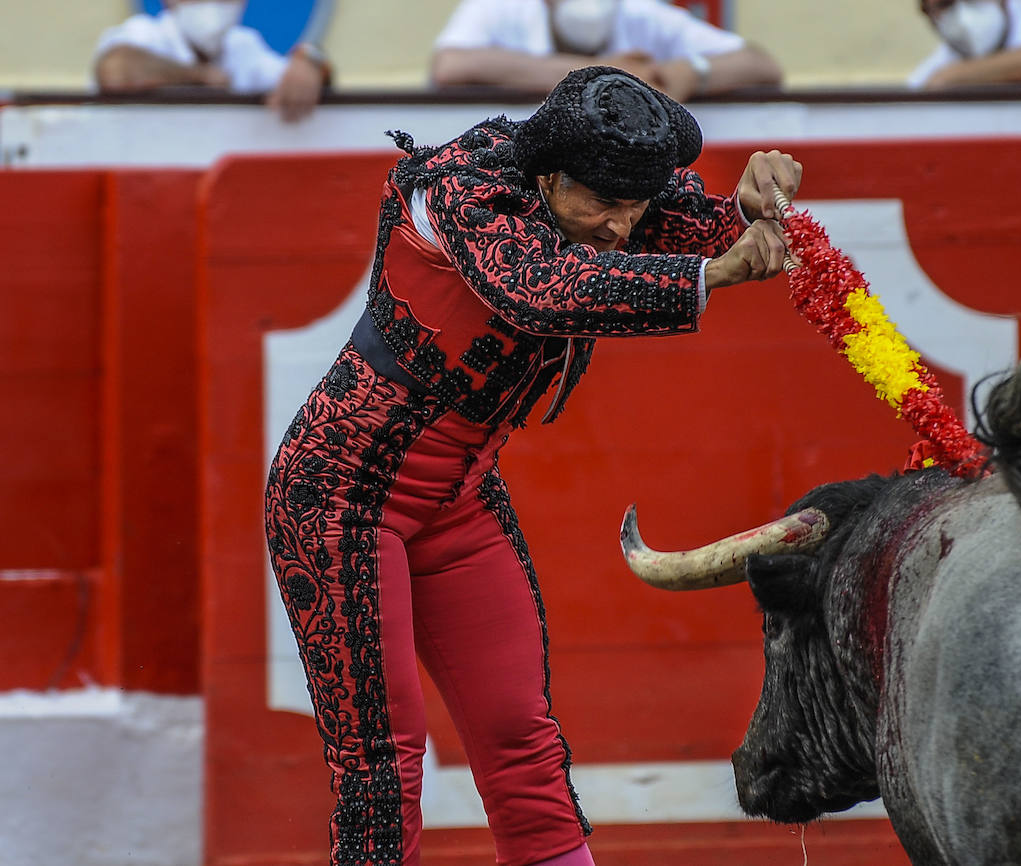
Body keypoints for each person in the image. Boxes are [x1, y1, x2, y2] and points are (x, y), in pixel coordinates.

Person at [264, 66, 799, 866]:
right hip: (339, 495)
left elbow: (690, 225)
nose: (621, 228)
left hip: (459, 502)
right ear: (548, 177)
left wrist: (750, 205)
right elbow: (540, 289)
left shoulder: (594, 188)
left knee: (524, 743)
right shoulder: (464, 183)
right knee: (381, 767)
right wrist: (712, 271)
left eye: (634, 208)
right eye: (601, 207)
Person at [430, 0, 783, 102]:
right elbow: (450, 65)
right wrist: (602, 73)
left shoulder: (642, 14)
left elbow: (762, 65)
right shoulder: (499, 8)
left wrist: (692, 73)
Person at [93, 0, 330, 122]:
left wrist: (309, 60)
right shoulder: (144, 34)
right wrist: (200, 76)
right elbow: (115, 71)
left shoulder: (244, 46)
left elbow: (295, 76)